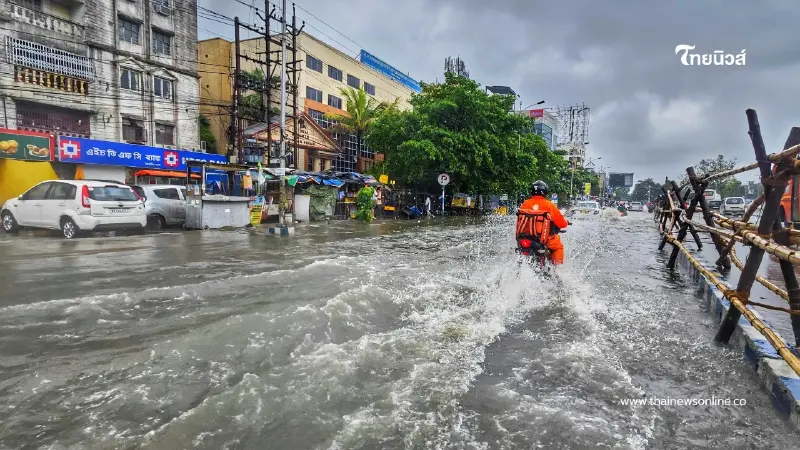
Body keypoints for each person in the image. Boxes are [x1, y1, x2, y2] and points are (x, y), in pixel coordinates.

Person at [516, 181, 569, 265]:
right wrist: (566, 222)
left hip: (524, 238)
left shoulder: (525, 204)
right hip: (542, 239)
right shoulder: (549, 205)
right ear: (545, 192)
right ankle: (557, 269)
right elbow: (562, 224)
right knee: (558, 247)